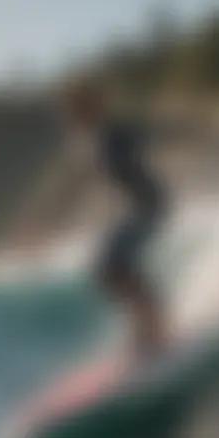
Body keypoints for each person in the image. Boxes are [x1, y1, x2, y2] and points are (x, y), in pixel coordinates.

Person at [60, 78, 169, 362]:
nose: (74, 118)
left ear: (93, 108)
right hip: (138, 206)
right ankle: (149, 324)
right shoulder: (95, 139)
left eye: (79, 110)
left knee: (113, 266)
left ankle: (154, 328)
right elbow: (80, 183)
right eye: (72, 113)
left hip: (149, 203)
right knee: (107, 269)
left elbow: (146, 135)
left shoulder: (114, 132)